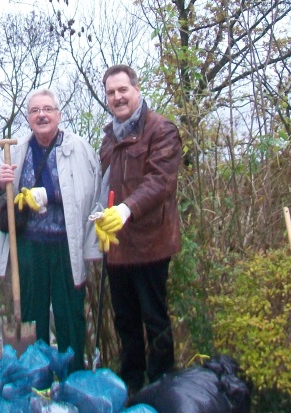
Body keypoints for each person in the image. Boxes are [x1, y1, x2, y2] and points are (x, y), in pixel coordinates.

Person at [0, 88, 101, 371]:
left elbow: (90, 192)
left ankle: (73, 377)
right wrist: (1, 183)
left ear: (59, 115)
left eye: (48, 109)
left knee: (69, 314)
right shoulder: (15, 150)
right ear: (28, 118)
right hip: (29, 246)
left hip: (66, 245)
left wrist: (49, 195)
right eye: (35, 111)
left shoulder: (78, 148)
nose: (42, 115)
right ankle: (34, 377)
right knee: (31, 313)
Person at [94, 64, 183, 395]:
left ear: (136, 89)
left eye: (122, 90)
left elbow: (161, 182)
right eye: (111, 93)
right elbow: (102, 186)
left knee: (154, 320)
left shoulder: (161, 130)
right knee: (125, 321)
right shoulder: (108, 138)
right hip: (116, 246)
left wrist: (127, 209)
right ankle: (131, 387)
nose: (117, 97)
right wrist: (100, 218)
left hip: (150, 244)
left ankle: (161, 387)